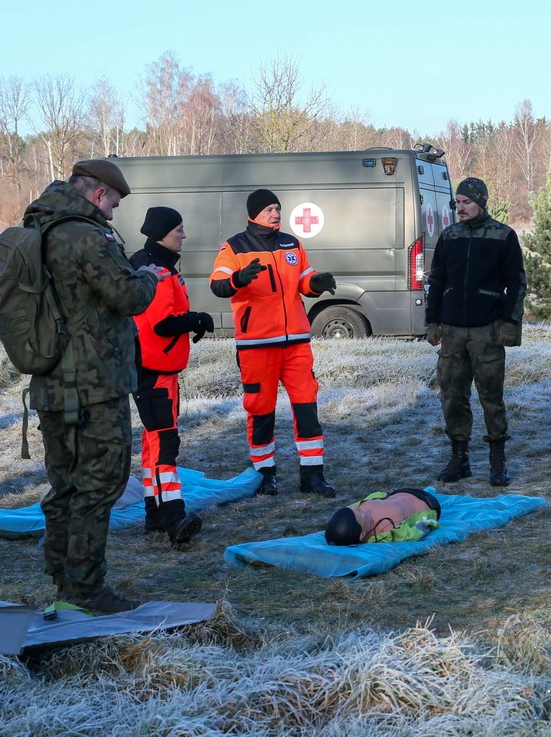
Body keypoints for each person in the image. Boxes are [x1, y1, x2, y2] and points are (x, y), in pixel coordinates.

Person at [29, 158, 163, 613]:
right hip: (93, 385)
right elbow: (129, 296)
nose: (113, 214)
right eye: (114, 203)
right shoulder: (87, 235)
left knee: (64, 484)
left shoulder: (40, 228)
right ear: (99, 193)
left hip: (51, 384)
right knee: (99, 484)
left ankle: (63, 579)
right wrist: (148, 276)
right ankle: (87, 590)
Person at [210, 189, 338, 498]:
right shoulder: (234, 246)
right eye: (269, 209)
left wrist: (315, 284)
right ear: (254, 212)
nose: (275, 213)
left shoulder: (291, 243)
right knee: (260, 410)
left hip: (296, 343)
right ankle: (264, 476)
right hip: (256, 345)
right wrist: (239, 279)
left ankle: (312, 475)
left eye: (278, 208)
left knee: (307, 407)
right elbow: (217, 284)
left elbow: (304, 279)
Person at [425, 177, 526, 487]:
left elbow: (517, 283)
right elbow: (437, 281)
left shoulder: (503, 235)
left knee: (491, 397)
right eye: (457, 202)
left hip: (488, 331)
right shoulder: (449, 236)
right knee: (452, 396)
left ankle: (497, 460)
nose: (460, 208)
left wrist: (510, 322)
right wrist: (432, 321)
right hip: (453, 331)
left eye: (466, 202)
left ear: (481, 202)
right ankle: (460, 457)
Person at [129, 206, 214, 547]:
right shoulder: (157, 270)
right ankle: (173, 517)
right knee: (165, 444)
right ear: (162, 233)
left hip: (151, 368)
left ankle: (154, 513)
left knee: (153, 444)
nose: (184, 235)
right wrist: (196, 320)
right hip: (154, 369)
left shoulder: (147, 263)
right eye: (179, 229)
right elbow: (162, 323)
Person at [324, 488, 441, 545]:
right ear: (362, 534)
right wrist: (426, 524)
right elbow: (412, 534)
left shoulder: (354, 511)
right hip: (428, 503)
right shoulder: (385, 532)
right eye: (361, 515)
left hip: (401, 491)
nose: (357, 508)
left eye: (356, 509)